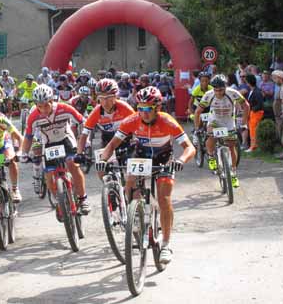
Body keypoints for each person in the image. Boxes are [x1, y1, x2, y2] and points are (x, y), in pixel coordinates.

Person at [98, 86, 195, 265]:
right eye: (140, 108)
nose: (143, 113)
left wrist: (181, 161)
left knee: (164, 198)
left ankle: (165, 244)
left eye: (148, 109)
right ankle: (135, 214)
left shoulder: (168, 121)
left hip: (163, 159)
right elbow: (111, 145)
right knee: (129, 182)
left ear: (157, 108)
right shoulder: (132, 120)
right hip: (141, 157)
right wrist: (103, 160)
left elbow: (190, 147)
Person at [20, 84, 91, 214]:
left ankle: (83, 198)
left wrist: (85, 141)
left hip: (66, 139)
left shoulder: (64, 108)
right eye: (39, 106)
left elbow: (83, 122)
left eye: (46, 105)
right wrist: (23, 153)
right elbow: (28, 137)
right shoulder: (33, 116)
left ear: (52, 100)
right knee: (49, 178)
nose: (43, 109)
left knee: (72, 165)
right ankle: (60, 200)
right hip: (49, 144)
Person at [194, 76, 249, 187]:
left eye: (221, 90)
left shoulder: (233, 93)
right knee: (210, 137)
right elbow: (198, 111)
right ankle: (211, 157)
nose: (218, 93)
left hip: (228, 122)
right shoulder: (209, 95)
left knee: (231, 146)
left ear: (225, 87)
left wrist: (244, 123)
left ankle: (233, 174)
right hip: (214, 121)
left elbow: (246, 106)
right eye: (216, 90)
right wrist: (197, 128)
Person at [77, 78, 135, 179]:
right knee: (101, 172)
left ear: (116, 96)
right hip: (107, 141)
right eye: (101, 98)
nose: (104, 102)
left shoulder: (125, 108)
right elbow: (84, 134)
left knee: (132, 174)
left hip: (126, 140)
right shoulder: (96, 112)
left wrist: (137, 139)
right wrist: (79, 153)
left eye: (108, 97)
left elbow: (138, 125)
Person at [245, 74, 264, 152]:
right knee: (252, 129)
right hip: (252, 113)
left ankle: (253, 146)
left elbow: (260, 104)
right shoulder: (252, 90)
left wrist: (252, 110)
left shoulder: (257, 91)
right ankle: (253, 146)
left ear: (249, 82)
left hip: (256, 113)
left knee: (253, 130)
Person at [272, 70, 283, 157]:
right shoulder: (280, 87)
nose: (274, 80)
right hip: (279, 115)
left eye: (275, 78)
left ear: (280, 78)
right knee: (281, 132)